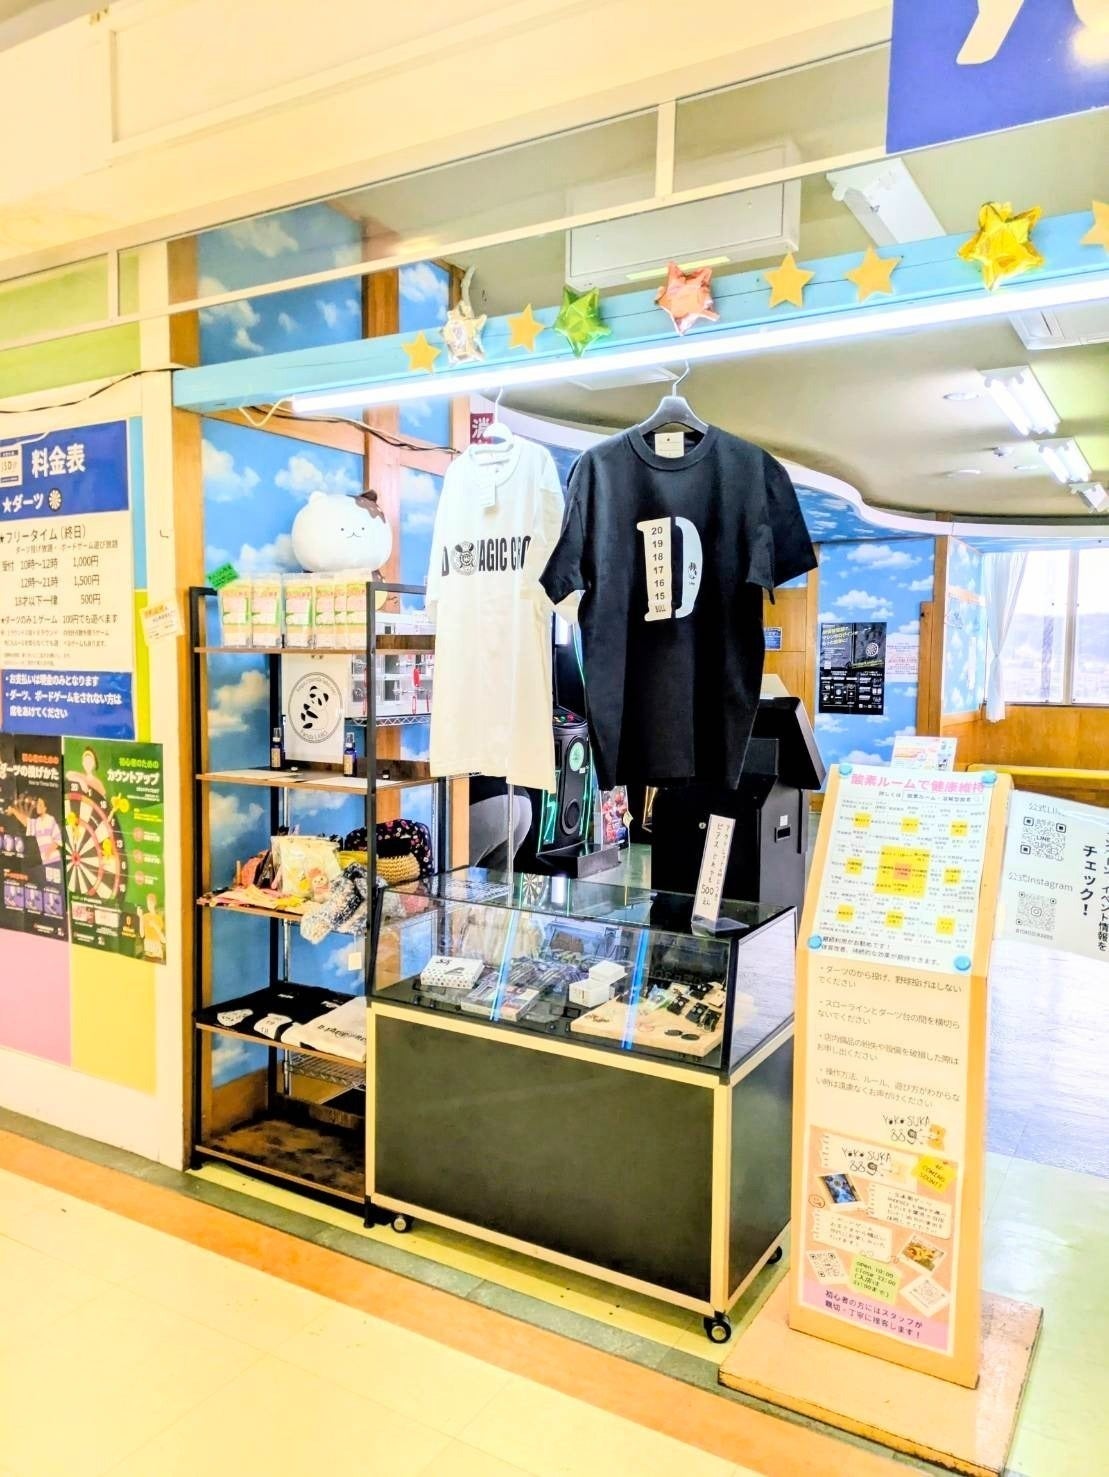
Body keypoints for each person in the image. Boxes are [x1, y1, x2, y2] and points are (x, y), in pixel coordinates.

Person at [139, 893, 166, 963]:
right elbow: (142, 935)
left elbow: (163, 940)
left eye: (151, 903)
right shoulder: (144, 917)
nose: (149, 905)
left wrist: (155, 926)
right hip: (147, 954)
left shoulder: (159, 918)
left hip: (157, 955)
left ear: (154, 904)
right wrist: (140, 917)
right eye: (148, 903)